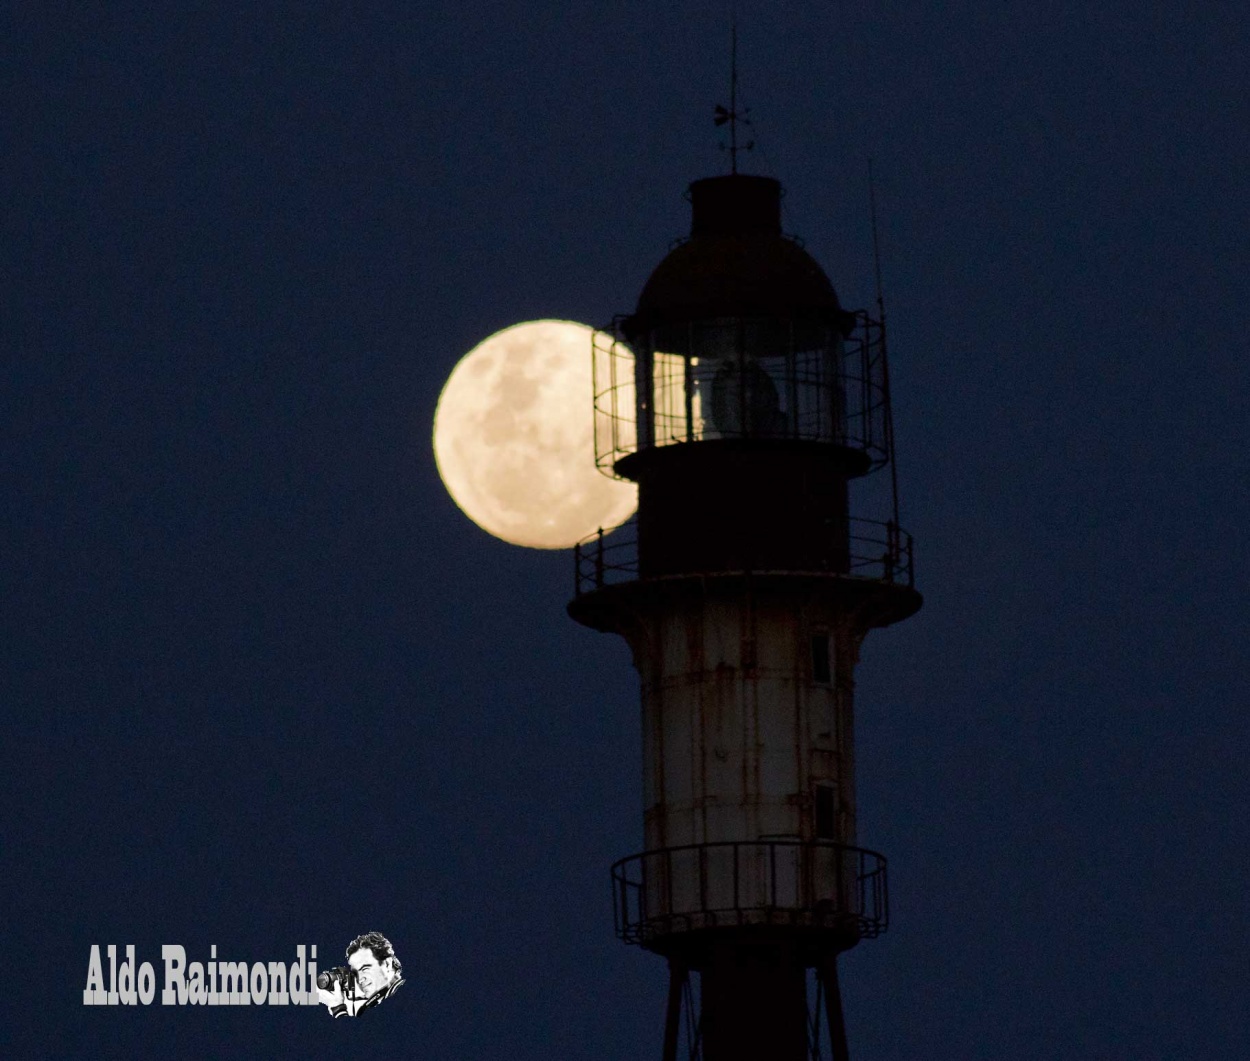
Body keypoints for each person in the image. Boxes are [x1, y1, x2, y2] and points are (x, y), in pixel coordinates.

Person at [317, 931, 405, 1017]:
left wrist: (337, 1007)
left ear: (387, 964)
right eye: (355, 973)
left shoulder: (405, 998)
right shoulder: (380, 1001)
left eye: (365, 969)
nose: (359, 979)